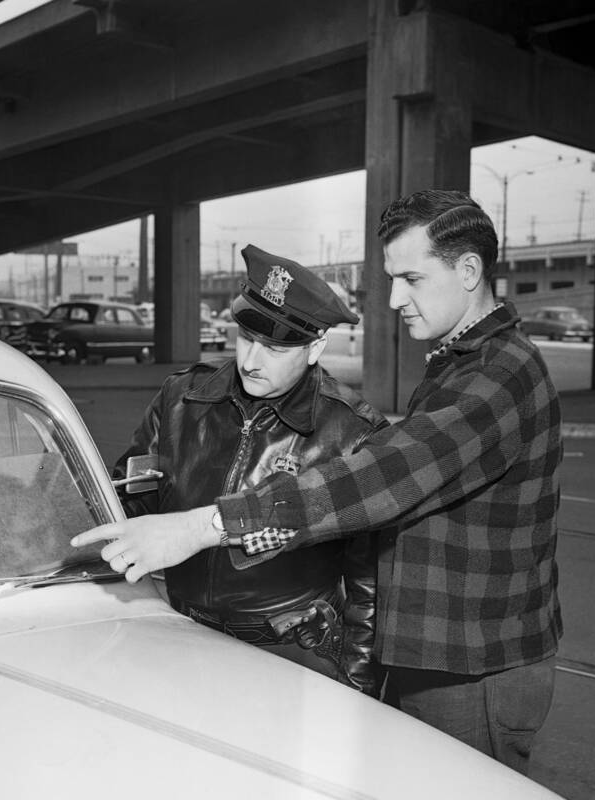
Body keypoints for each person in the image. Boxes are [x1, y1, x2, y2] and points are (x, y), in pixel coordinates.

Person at [73, 190, 563, 772]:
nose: (392, 298)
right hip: (435, 656)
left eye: (409, 277)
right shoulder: (460, 362)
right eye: (390, 278)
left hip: (468, 667)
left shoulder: (498, 374)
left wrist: (205, 525)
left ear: (468, 270)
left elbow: (382, 479)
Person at [108, 244, 389, 694]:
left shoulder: (350, 431)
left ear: (316, 347)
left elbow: (368, 586)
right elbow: (131, 495)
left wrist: (356, 687)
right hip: (180, 635)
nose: (251, 361)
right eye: (247, 339)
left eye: (275, 348)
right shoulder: (183, 397)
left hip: (289, 657)